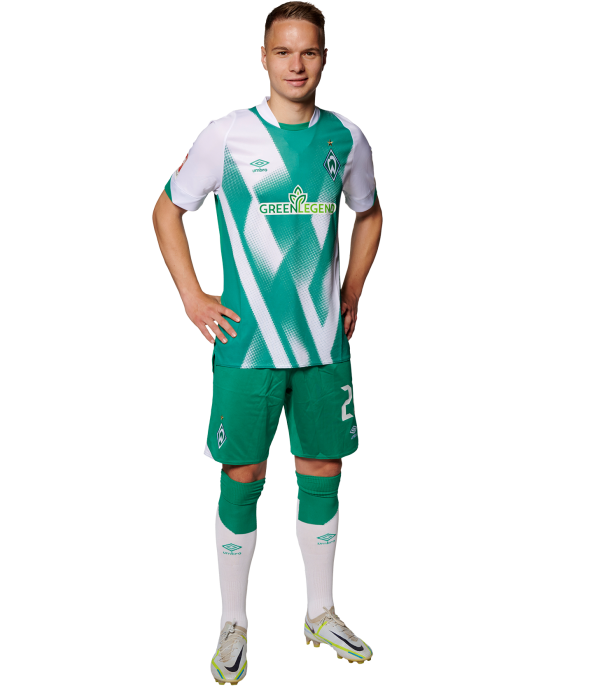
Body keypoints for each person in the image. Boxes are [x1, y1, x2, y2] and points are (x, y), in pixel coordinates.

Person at [151, 0, 382, 685]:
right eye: (284, 51)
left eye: (308, 51)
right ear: (264, 57)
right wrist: (193, 297)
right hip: (247, 346)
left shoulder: (346, 137)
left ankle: (320, 613)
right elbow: (167, 209)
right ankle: (234, 623)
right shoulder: (228, 135)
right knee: (243, 476)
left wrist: (352, 291)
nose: (296, 65)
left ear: (324, 58)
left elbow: (370, 214)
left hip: (322, 345)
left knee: (323, 472)